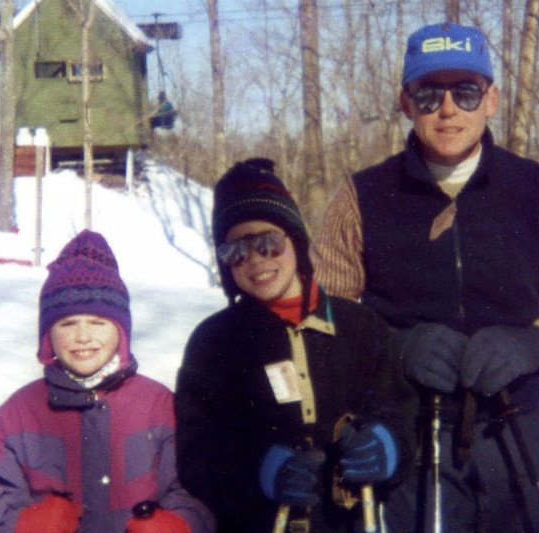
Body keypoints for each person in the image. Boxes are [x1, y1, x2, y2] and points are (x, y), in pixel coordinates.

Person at [312, 22, 539, 533]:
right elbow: (323, 310)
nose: (447, 108)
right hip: (406, 426)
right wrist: (395, 347)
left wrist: (534, 342)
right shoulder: (362, 196)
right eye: (429, 93)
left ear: (491, 99)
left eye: (465, 91)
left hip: (516, 423)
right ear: (406, 103)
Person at [175, 158, 418, 532]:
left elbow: (399, 410)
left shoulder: (359, 326)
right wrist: (261, 471)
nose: (256, 260)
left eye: (269, 243)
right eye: (236, 251)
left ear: (296, 242)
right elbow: (197, 454)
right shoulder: (215, 343)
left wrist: (387, 445)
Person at [0, 230, 215, 533]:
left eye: (98, 322)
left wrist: (180, 523)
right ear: (47, 335)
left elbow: (200, 485)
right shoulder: (18, 414)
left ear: (121, 330)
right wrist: (22, 524)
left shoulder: (159, 406)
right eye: (67, 324)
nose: (82, 337)